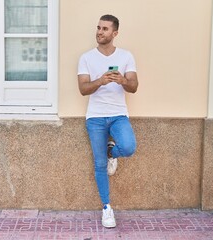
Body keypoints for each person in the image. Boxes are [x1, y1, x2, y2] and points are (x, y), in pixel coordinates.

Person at [77, 14, 138, 228]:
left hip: (118, 114)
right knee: (99, 163)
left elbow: (134, 86)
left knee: (129, 147)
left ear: (115, 33)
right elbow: (83, 89)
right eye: (98, 28)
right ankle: (106, 208)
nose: (99, 32)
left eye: (104, 29)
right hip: (95, 117)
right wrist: (101, 81)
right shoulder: (86, 58)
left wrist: (121, 80)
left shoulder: (126, 56)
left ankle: (114, 151)